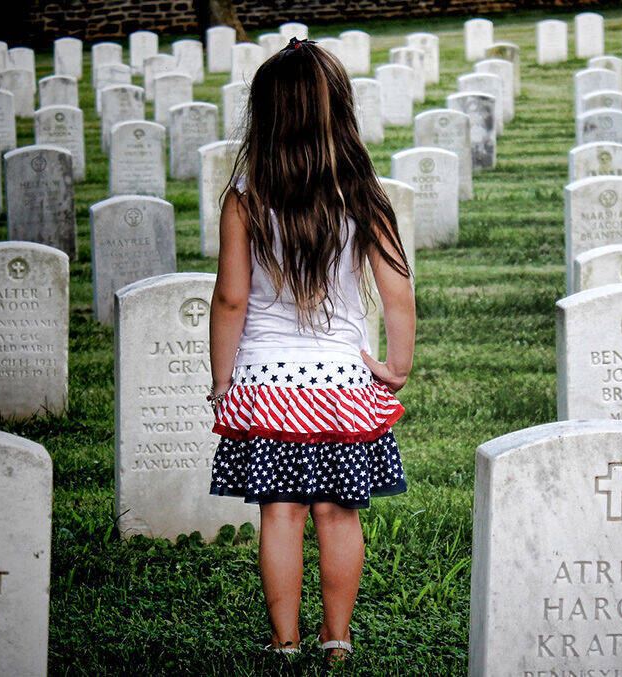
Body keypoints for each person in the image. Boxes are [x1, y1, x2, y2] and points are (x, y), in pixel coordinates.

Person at [205, 36, 415, 666]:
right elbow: (397, 290)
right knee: (337, 513)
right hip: (344, 388)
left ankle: (284, 641)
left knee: (281, 513)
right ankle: (338, 639)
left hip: (266, 387)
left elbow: (231, 301)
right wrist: (397, 365)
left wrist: (223, 381)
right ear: (339, 112)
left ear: (265, 116)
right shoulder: (362, 193)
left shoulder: (245, 196)